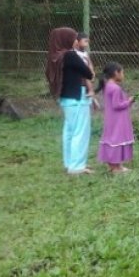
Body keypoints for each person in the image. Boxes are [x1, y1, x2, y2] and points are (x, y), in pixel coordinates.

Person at [45, 27, 95, 175]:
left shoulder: (54, 56)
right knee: (80, 132)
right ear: (66, 39)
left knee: (69, 131)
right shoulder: (70, 55)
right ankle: (77, 167)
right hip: (78, 97)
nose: (75, 41)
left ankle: (69, 163)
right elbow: (88, 74)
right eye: (73, 38)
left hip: (65, 99)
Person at [96, 62, 136, 174]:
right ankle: (116, 168)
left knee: (112, 139)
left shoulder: (107, 86)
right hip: (118, 119)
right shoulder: (115, 88)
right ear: (116, 73)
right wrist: (130, 101)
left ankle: (115, 166)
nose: (123, 75)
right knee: (117, 139)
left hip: (111, 118)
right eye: (122, 72)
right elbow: (117, 105)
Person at [75, 32, 98, 109]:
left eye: (88, 42)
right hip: (79, 74)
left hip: (85, 73)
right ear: (77, 42)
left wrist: (92, 71)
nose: (87, 44)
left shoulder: (85, 53)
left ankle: (92, 97)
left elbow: (89, 63)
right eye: (85, 41)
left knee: (88, 79)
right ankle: (93, 98)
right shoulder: (74, 53)